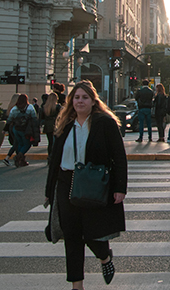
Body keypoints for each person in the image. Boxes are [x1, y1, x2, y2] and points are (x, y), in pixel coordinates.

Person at [44, 80, 127, 289]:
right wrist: (48, 191)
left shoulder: (104, 123)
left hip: (93, 183)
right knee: (71, 235)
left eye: (84, 98)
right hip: (66, 182)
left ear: (93, 101)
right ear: (71, 101)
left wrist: (120, 188)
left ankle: (105, 257)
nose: (80, 101)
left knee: (93, 233)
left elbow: (119, 156)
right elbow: (54, 159)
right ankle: (77, 285)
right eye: (76, 98)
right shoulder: (65, 124)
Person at [4, 94, 38, 168]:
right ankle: (19, 157)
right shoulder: (30, 107)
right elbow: (34, 118)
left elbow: (9, 120)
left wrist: (4, 129)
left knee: (20, 143)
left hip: (16, 129)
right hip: (25, 129)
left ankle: (20, 160)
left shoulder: (14, 108)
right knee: (27, 144)